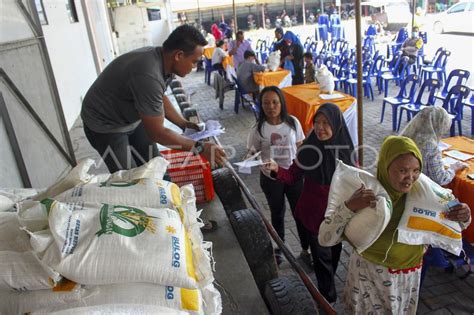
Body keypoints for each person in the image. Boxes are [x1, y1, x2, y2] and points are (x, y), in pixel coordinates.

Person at [319, 135, 471, 313]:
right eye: (403, 170)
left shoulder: (426, 193)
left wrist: (464, 215)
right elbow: (325, 236)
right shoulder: (364, 192)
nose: (410, 178)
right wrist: (349, 206)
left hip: (407, 278)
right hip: (369, 275)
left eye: (416, 170)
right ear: (385, 166)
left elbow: (459, 223)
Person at [81, 24, 227, 173]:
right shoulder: (148, 74)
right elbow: (157, 133)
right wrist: (200, 148)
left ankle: (163, 192)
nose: (194, 67)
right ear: (178, 55)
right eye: (194, 61)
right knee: (128, 178)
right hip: (105, 124)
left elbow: (158, 97)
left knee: (155, 166)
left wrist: (183, 123)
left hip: (130, 116)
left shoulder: (163, 62)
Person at [265, 103, 355, 302]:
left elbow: (356, 184)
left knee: (333, 254)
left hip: (338, 217)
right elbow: (292, 176)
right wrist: (276, 169)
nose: (320, 127)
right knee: (322, 259)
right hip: (314, 216)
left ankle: (327, 285)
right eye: (317, 122)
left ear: (336, 125)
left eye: (325, 123)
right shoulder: (308, 150)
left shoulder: (346, 153)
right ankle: (327, 299)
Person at [247, 86, 307, 265]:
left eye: (275, 102)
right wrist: (250, 159)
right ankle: (279, 249)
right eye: (266, 103)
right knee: (277, 213)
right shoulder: (258, 128)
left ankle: (306, 249)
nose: (271, 106)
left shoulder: (293, 123)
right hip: (271, 178)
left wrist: (305, 166)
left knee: (300, 213)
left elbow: (301, 145)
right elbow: (251, 152)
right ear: (261, 105)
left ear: (281, 103)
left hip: (293, 176)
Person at [400, 106, 467, 185]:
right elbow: (440, 179)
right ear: (439, 124)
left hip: (400, 181)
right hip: (417, 187)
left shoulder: (406, 135)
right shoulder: (430, 145)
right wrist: (453, 168)